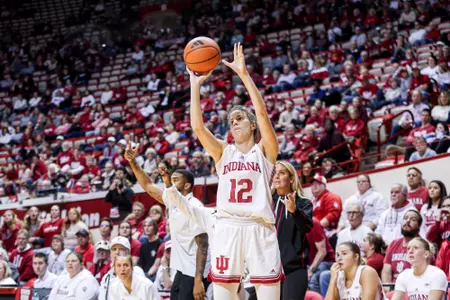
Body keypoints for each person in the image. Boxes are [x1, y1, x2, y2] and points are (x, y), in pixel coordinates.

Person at [188, 43, 282, 299]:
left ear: (252, 125)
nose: (234, 123)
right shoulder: (223, 151)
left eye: (240, 118)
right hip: (227, 228)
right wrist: (194, 85)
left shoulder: (264, 151)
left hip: (259, 227)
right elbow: (197, 127)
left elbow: (262, 114)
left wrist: (244, 75)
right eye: (231, 121)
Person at [125, 146, 210, 300]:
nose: (170, 183)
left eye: (175, 180)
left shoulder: (194, 206)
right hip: (182, 269)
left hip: (194, 271)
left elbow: (203, 245)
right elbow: (148, 186)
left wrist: (198, 280)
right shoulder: (173, 201)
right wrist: (133, 163)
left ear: (187, 186)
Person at [272, 161, 313, 300]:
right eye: (274, 173)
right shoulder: (266, 202)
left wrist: (294, 211)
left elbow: (306, 227)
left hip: (293, 270)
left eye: (281, 173)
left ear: (291, 178)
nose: (276, 176)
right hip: (268, 269)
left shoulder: (303, 203)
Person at [382, 210, 423, 284]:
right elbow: (386, 271)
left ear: (419, 227)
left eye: (413, 219)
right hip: (393, 288)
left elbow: (421, 274)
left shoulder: (422, 246)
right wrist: (388, 288)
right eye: (405, 218)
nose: (407, 221)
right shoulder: (393, 244)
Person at [307, 218, 336, 297]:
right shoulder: (292, 224)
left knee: (313, 278)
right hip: (308, 262)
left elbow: (322, 251)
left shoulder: (313, 223)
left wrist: (310, 270)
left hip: (326, 261)